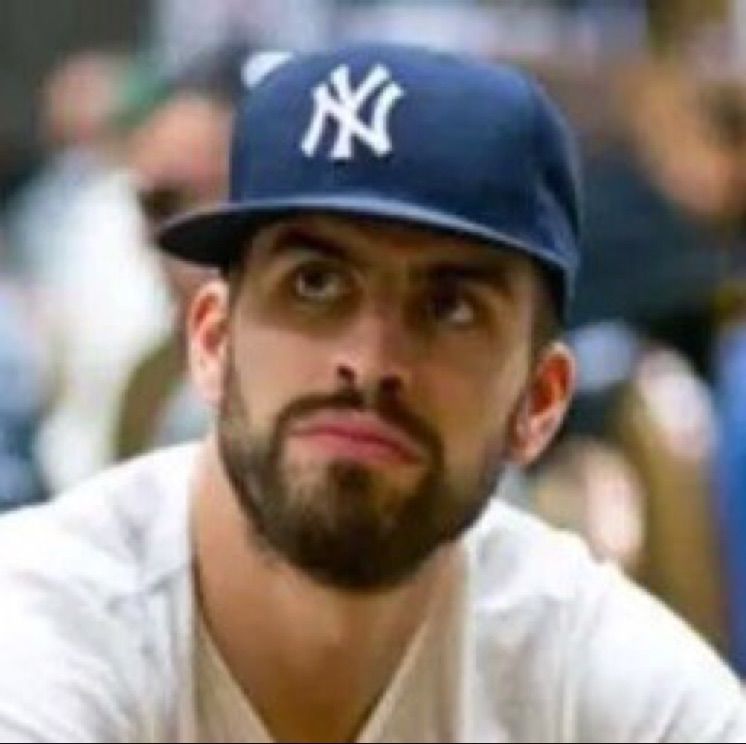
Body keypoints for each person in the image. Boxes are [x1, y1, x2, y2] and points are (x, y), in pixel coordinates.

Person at [0, 43, 743, 743]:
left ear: (538, 401)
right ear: (213, 341)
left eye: (450, 307)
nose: (369, 361)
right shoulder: (45, 630)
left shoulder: (600, 671)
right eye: (315, 283)